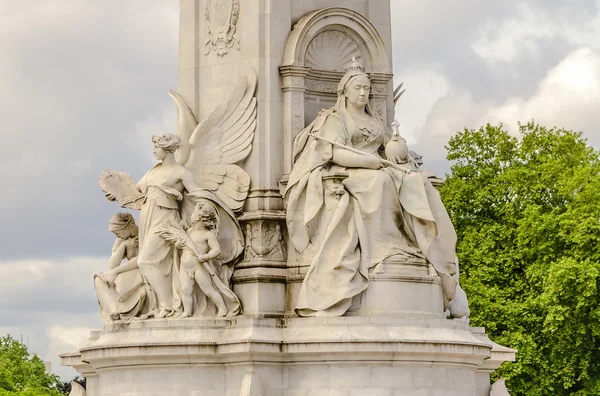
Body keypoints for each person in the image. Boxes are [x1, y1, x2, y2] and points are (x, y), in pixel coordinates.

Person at [285, 59, 465, 318]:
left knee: (418, 183)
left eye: (367, 89)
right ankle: (384, 248)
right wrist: (365, 161)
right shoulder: (334, 119)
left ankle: (424, 247)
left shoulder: (374, 119)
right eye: (358, 88)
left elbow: (385, 150)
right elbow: (333, 151)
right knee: (380, 183)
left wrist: (398, 150)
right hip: (350, 172)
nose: (363, 93)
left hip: (377, 167)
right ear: (344, 91)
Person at [174, 201, 241, 317]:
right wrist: (178, 245)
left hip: (200, 267)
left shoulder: (207, 234)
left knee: (209, 290)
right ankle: (187, 311)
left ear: (200, 217)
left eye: (193, 213)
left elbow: (216, 250)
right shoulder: (189, 231)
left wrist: (205, 257)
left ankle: (223, 308)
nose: (191, 215)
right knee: (185, 290)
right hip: (185, 266)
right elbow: (182, 247)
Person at [94, 213, 150, 322]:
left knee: (115, 279)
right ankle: (114, 311)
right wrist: (124, 245)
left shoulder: (145, 235)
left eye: (117, 232)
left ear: (128, 227)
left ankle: (123, 309)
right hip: (127, 272)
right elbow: (112, 264)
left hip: (142, 272)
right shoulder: (121, 240)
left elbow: (140, 260)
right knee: (98, 279)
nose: (117, 235)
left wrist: (115, 272)